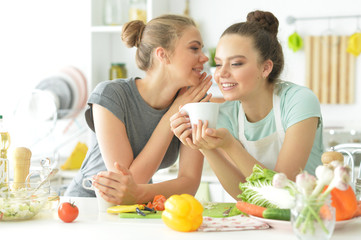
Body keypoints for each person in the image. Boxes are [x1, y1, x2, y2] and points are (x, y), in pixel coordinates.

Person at [170, 10, 323, 200]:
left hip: (310, 219)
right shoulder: (226, 113)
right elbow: (244, 195)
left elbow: (281, 194)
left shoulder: (298, 101)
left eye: (235, 64)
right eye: (218, 64)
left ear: (265, 67)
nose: (222, 74)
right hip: (262, 223)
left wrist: (231, 146)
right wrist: (204, 146)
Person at [64, 14, 212, 204]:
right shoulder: (111, 94)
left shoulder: (192, 103)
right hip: (86, 205)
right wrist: (172, 114)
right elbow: (129, 181)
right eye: (194, 48)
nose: (205, 57)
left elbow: (189, 183)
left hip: (137, 207)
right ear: (162, 54)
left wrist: (180, 108)